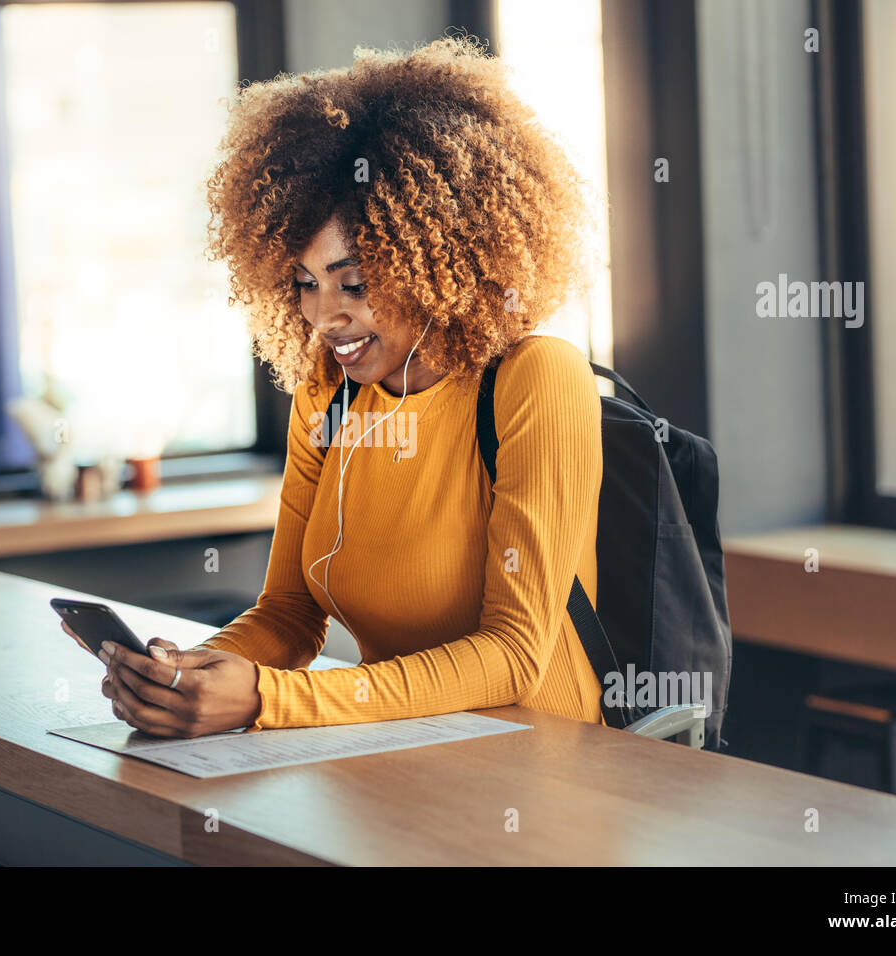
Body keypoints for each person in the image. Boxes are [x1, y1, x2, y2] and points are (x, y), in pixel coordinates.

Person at [65, 36, 604, 737]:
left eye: (354, 283)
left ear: (440, 260)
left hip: (541, 764)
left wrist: (268, 700)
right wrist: (190, 674)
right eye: (304, 283)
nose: (324, 316)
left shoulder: (537, 377)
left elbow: (513, 657)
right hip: (393, 755)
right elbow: (290, 615)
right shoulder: (329, 394)